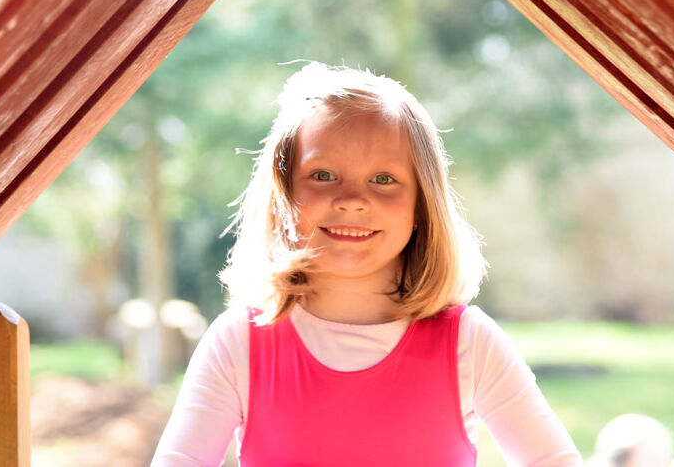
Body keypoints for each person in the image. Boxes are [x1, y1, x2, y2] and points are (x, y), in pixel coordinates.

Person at [151, 62, 582, 466]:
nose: (352, 200)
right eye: (322, 175)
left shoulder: (470, 343)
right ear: (284, 195)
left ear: (421, 205)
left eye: (383, 179)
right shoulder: (237, 344)